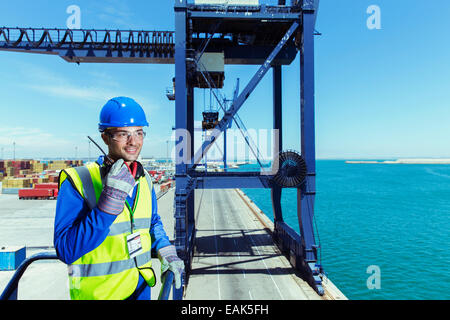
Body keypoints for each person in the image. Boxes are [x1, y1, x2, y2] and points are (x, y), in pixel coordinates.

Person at [53, 96, 184, 300]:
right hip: (100, 296)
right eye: (124, 134)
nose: (133, 142)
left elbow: (152, 222)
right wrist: (107, 206)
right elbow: (66, 250)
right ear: (105, 137)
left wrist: (165, 249)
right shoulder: (79, 180)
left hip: (140, 291)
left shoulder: (144, 179)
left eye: (139, 133)